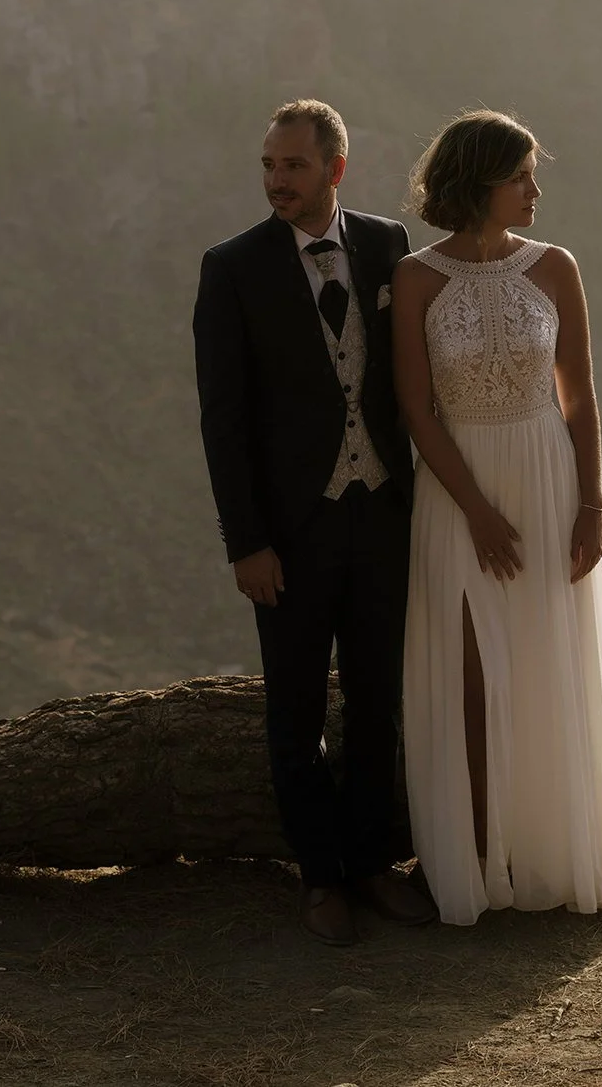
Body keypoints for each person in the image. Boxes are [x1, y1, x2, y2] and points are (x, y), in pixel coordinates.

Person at [393, 108, 602, 927]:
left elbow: (579, 397)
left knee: (546, 664)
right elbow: (416, 409)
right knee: (470, 675)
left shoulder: (555, 266)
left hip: (547, 480)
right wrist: (474, 509)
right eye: (521, 177)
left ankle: (549, 851)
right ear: (479, 182)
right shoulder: (416, 277)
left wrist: (591, 507)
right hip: (457, 491)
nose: (536, 191)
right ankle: (478, 858)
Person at [193, 98, 436, 945]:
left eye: (292, 166)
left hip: (384, 519)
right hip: (290, 536)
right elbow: (223, 421)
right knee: (294, 712)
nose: (275, 181)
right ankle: (321, 877)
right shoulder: (231, 267)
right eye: (268, 165)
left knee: (377, 704)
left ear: (336, 169)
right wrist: (247, 543)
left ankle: (371, 864)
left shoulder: (387, 244)